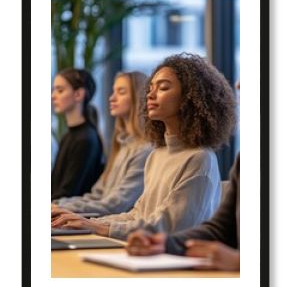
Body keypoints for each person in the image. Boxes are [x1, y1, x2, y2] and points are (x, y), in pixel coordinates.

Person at [52, 53, 236, 241]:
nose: (150, 94)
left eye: (163, 87)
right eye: (151, 88)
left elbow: (170, 225)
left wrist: (96, 226)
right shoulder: (157, 155)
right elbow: (138, 214)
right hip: (149, 253)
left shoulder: (199, 158)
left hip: (173, 261)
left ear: (189, 97)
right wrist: (86, 222)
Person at [126, 84, 241, 272]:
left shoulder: (200, 157)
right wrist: (164, 243)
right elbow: (219, 229)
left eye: (163, 87)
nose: (238, 85)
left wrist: (240, 263)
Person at [52, 71, 152, 216]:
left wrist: (61, 208)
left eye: (121, 92)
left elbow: (117, 204)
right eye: (113, 92)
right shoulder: (121, 147)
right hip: (101, 222)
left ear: (138, 97)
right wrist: (58, 205)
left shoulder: (145, 151)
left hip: (116, 230)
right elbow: (97, 194)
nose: (112, 98)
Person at [51, 68, 104, 200]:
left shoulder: (85, 139)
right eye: (54, 90)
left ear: (78, 94)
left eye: (60, 90)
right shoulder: (68, 136)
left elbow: (68, 193)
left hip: (70, 214)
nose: (53, 96)